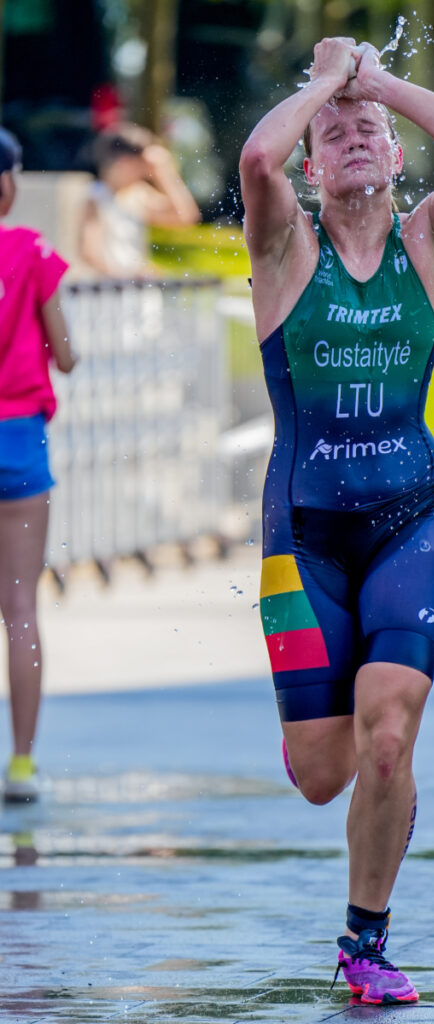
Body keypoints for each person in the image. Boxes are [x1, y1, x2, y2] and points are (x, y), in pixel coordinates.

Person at [239, 37, 434, 1004]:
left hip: (410, 525)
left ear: (396, 157)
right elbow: (254, 163)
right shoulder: (284, 249)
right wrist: (321, 85)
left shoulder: (429, 245)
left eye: (372, 133)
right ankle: (365, 783)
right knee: (324, 776)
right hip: (300, 538)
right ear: (314, 168)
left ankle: (364, 941)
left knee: (388, 738)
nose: (352, 138)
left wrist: (373, 82)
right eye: (333, 133)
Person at [0, 127, 78, 802]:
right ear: (9, 184)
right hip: (18, 438)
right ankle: (21, 763)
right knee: (20, 609)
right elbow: (67, 351)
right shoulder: (30, 251)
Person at [79, 122, 200, 278]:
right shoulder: (95, 196)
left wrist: (165, 173)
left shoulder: (137, 195)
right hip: (111, 291)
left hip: (136, 288)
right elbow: (90, 252)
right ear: (125, 162)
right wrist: (129, 276)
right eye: (141, 166)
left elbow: (185, 216)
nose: (145, 173)